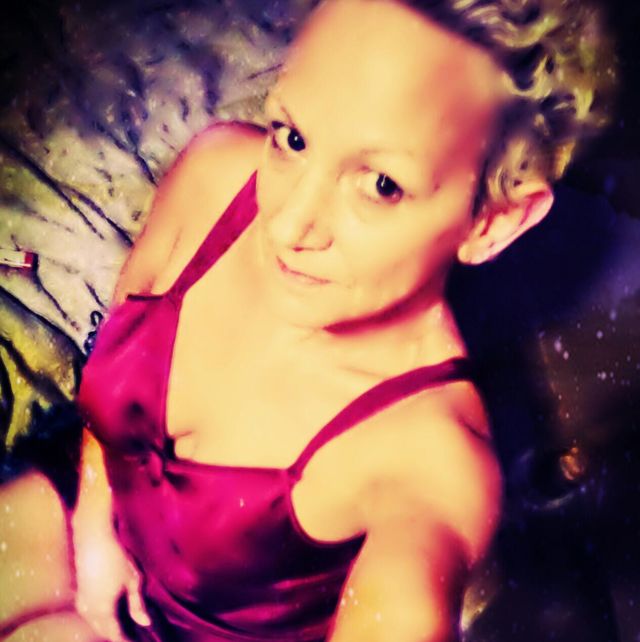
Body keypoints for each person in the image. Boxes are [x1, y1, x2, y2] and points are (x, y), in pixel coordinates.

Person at [72, 0, 616, 641]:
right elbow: (119, 346)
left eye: (381, 185)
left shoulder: (430, 465)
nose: (286, 223)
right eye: (292, 138)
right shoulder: (217, 174)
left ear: (492, 222)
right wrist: (92, 522)